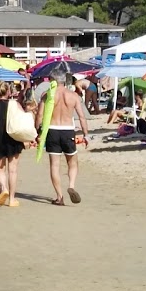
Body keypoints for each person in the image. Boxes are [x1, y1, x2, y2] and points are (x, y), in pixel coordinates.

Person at [42, 73, 92, 205]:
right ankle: (71, 185)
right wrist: (86, 135)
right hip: (67, 130)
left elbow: (39, 114)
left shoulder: (47, 95)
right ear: (65, 81)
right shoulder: (73, 95)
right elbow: (82, 117)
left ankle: (59, 197)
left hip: (52, 130)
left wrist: (37, 132)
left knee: (54, 165)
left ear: (52, 81)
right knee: (72, 162)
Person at [0, 82, 24, 207]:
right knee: (13, 170)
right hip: (13, 138)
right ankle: (12, 199)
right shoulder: (15, 104)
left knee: (0, 168)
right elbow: (23, 120)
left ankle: (3, 188)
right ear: (8, 92)